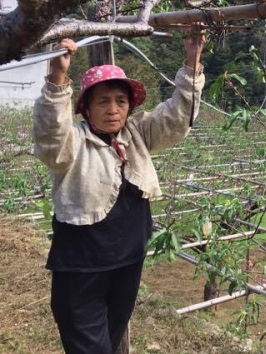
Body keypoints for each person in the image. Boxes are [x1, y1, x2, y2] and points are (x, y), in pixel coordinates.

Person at [33, 33, 206, 354]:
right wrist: (57, 77)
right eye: (102, 101)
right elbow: (48, 137)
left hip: (128, 262)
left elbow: (178, 117)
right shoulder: (72, 143)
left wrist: (192, 61)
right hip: (81, 268)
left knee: (111, 343)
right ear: (85, 107)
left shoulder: (138, 133)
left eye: (120, 101)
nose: (113, 109)